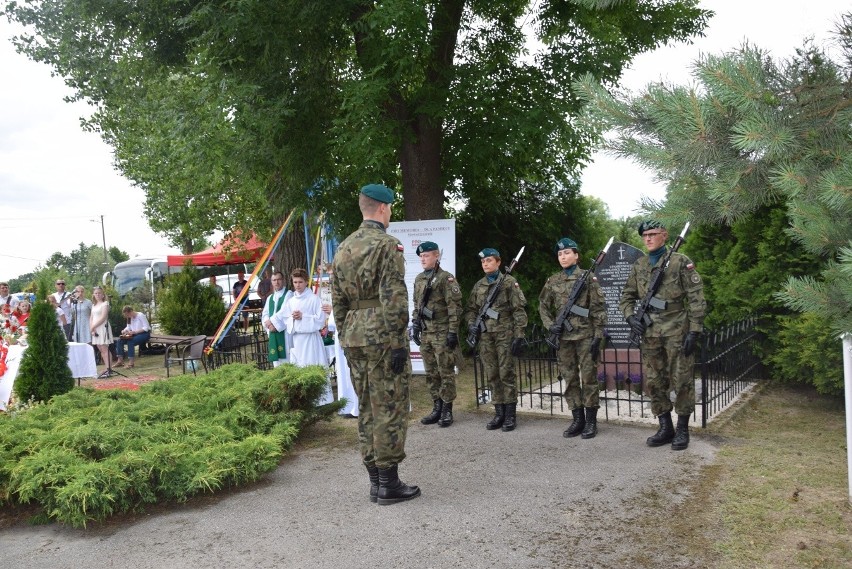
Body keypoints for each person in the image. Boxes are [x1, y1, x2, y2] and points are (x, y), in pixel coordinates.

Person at [331, 183, 420, 505]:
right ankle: (389, 484)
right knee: (390, 406)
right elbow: (394, 296)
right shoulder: (387, 245)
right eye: (391, 207)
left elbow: (337, 300)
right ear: (383, 208)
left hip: (354, 335)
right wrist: (399, 341)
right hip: (382, 335)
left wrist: (344, 334)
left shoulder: (343, 247)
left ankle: (375, 481)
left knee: (366, 405)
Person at [619, 220, 705, 451]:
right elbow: (626, 296)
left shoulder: (680, 261)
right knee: (656, 381)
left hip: (677, 328)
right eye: (644, 235)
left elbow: (696, 298)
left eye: (652, 234)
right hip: (649, 332)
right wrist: (630, 318)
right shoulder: (639, 265)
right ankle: (665, 427)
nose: (647, 238)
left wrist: (695, 330)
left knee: (682, 379)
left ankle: (683, 429)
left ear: (664, 236)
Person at [538, 237, 607, 439]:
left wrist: (598, 336)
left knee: (589, 378)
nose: (563, 257)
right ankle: (577, 419)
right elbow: (542, 305)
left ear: (576, 255)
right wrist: (552, 326)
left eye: (567, 253)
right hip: (564, 339)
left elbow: (598, 309)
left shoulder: (588, 278)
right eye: (559, 254)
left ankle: (591, 422)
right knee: (569, 379)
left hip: (585, 336)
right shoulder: (553, 281)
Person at [464, 247, 527, 432]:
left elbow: (519, 310)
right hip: (485, 336)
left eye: (489, 261)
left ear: (498, 262)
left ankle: (510, 415)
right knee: (492, 374)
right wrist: (471, 325)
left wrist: (519, 335)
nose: (485, 264)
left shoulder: (508, 282)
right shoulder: (479, 285)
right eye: (483, 262)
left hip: (504, 335)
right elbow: (471, 310)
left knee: (506, 373)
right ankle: (498, 412)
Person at [411, 241, 462, 427]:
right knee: (431, 372)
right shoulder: (418, 279)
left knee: (445, 372)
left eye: (426, 256)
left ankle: (447, 409)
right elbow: (417, 304)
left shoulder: (445, 278)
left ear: (436, 256)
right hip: (426, 333)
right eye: (421, 256)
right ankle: (437, 407)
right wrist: (415, 324)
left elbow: (454, 307)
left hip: (441, 332)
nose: (423, 259)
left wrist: (452, 332)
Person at [283, 268, 333, 404]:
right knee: (300, 367)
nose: (297, 285)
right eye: (295, 282)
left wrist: (303, 317)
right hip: (297, 339)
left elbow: (320, 319)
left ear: (306, 282)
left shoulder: (314, 299)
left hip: (311, 339)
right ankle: (304, 399)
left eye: (300, 282)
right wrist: (292, 318)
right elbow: (286, 318)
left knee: (313, 365)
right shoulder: (291, 301)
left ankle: (320, 400)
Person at [261, 271, 291, 367]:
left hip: (284, 332)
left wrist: (273, 323)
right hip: (272, 330)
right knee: (277, 363)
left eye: (278, 279)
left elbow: (285, 311)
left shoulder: (289, 294)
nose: (276, 282)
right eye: (274, 280)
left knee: (287, 359)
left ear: (283, 280)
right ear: (271, 282)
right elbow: (265, 313)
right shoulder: (270, 297)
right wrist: (268, 324)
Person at [90, 286, 113, 370]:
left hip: (102, 327)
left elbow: (103, 317)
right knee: (100, 348)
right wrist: (92, 328)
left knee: (104, 348)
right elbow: (91, 317)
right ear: (93, 295)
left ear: (103, 295)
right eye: (96, 293)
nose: (97, 295)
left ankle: (109, 368)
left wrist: (93, 326)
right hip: (95, 328)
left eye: (99, 293)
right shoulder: (93, 305)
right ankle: (107, 367)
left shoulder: (105, 304)